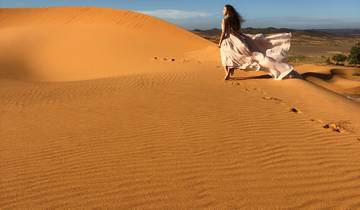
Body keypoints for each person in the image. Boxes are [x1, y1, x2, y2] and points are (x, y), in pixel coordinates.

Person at [219, 4, 301, 80]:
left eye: (224, 9)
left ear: (228, 10)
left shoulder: (225, 19)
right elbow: (238, 31)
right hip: (238, 40)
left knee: (226, 57)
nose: (222, 10)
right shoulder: (235, 20)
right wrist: (243, 37)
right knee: (242, 57)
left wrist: (220, 42)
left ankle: (227, 73)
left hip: (228, 40)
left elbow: (223, 32)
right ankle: (230, 71)